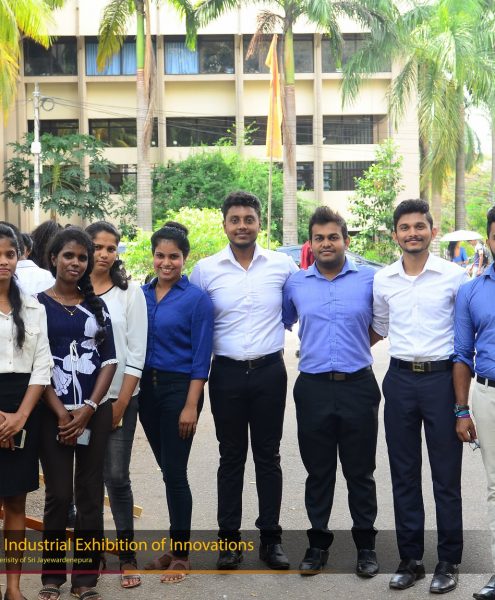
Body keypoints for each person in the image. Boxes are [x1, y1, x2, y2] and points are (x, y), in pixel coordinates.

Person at [190, 191, 298, 570]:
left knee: (269, 456)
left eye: (248, 219)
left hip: (270, 372)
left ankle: (271, 541)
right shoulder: (205, 270)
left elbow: (298, 306)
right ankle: (229, 541)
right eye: (234, 219)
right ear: (224, 225)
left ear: (259, 223)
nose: (242, 226)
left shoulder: (282, 266)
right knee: (231, 457)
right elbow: (193, 320)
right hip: (226, 374)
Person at [372, 199, 467, 594]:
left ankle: (449, 561)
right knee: (404, 475)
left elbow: (465, 335)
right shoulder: (383, 279)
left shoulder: (454, 277)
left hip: (441, 381)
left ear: (432, 231)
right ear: (395, 234)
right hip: (399, 380)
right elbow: (379, 327)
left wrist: (463, 401)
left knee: (446, 476)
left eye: (419, 226)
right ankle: (410, 560)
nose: (412, 233)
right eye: (405, 227)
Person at [283, 206, 380, 577]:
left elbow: (382, 323)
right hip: (313, 388)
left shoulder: (370, 279)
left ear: (346, 241)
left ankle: (366, 547)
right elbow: (285, 320)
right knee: (319, 472)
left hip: (358, 386)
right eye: (319, 238)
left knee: (360, 472)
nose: (326, 243)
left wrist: (354, 346)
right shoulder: (296, 284)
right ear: (311, 243)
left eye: (333, 237)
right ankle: (317, 545)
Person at [36, 227, 117, 600]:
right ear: (54, 258)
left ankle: (85, 580)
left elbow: (109, 361)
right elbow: (37, 365)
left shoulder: (96, 306)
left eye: (82, 257)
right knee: (58, 494)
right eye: (68, 255)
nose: (76, 262)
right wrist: (62, 413)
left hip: (93, 413)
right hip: (51, 413)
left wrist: (88, 408)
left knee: (89, 494)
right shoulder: (36, 306)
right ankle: (52, 577)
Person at [140, 222, 214, 583]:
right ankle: (174, 546)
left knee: (176, 472)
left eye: (174, 256)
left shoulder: (197, 299)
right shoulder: (140, 294)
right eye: (160, 255)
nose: (166, 263)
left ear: (185, 259)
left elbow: (202, 357)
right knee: (168, 470)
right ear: (153, 256)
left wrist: (190, 405)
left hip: (179, 390)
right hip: (146, 392)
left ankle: (181, 555)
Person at [86, 221, 147, 589]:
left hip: (119, 399)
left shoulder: (129, 294)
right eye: (98, 247)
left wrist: (122, 402)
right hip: (79, 404)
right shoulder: (72, 292)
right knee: (86, 480)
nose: (105, 254)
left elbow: (137, 352)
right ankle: (91, 555)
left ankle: (127, 556)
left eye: (111, 248)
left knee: (117, 477)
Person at [0, 224, 52, 600]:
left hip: (24, 408)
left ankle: (14, 588)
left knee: (16, 501)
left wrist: (19, 418)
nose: (3, 261)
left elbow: (42, 367)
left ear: (19, 257)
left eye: (9, 254)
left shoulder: (34, 307)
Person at [453, 206, 495, 600]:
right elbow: (463, 354)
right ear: (490, 239)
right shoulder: (471, 291)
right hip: (488, 394)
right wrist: (462, 409)